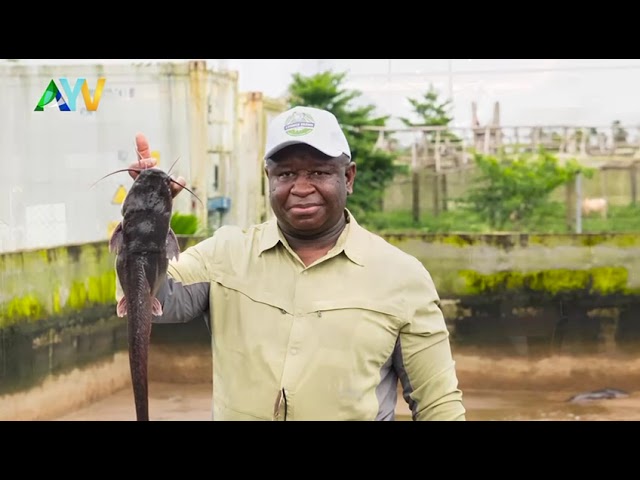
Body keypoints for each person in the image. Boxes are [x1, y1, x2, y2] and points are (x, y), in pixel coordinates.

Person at [119, 106, 466, 421]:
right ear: (268, 179)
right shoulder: (226, 253)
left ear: (348, 177)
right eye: (285, 174)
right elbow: (153, 302)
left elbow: (439, 406)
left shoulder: (402, 276)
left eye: (318, 172)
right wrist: (148, 221)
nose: (301, 187)